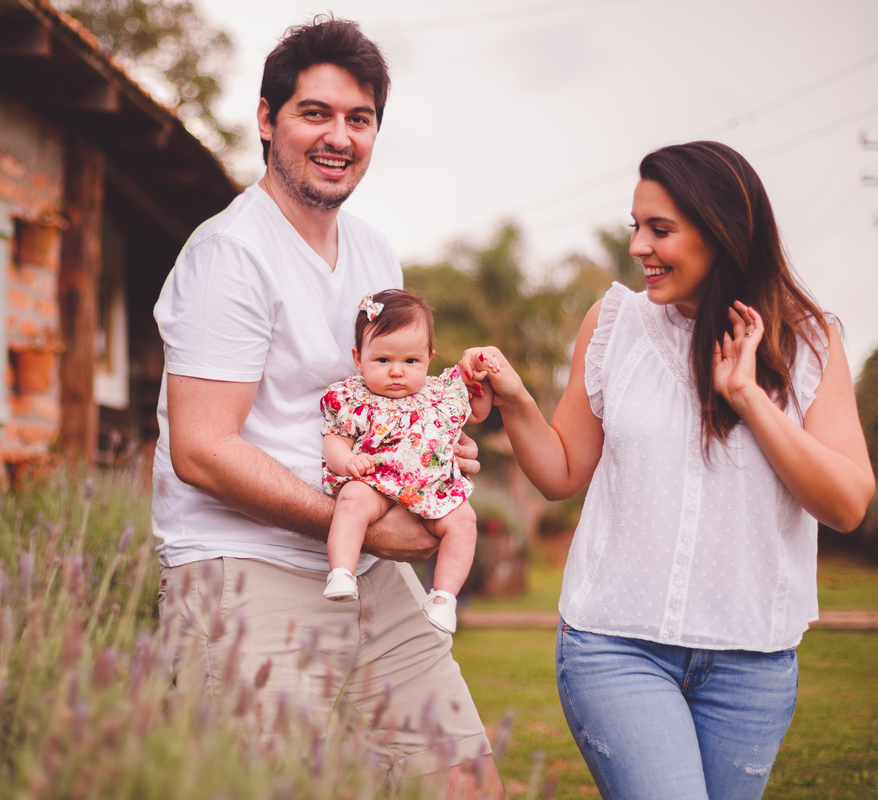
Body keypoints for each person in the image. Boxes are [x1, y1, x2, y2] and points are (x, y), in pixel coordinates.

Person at [459, 140, 874, 800]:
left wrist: (747, 400)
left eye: (660, 229)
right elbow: (562, 472)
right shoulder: (616, 322)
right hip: (618, 647)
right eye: (636, 227)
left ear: (722, 232)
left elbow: (848, 503)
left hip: (753, 663)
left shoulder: (809, 342)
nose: (638, 247)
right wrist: (513, 400)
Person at [152, 16, 503, 796]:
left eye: (359, 118)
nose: (338, 136)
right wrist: (375, 520)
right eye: (315, 113)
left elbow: (379, 401)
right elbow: (203, 449)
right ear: (267, 119)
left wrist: (429, 457)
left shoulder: (376, 256)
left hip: (370, 573)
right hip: (245, 572)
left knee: (466, 782)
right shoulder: (229, 255)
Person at [321, 289, 493, 636]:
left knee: (464, 523)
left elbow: (476, 411)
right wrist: (348, 461)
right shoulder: (353, 398)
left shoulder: (440, 393)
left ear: (429, 357)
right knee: (352, 500)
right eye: (382, 361)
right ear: (358, 357)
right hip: (377, 479)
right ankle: (341, 571)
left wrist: (481, 375)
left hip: (433, 486)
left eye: (410, 362)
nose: (397, 372)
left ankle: (443, 598)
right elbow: (334, 439)